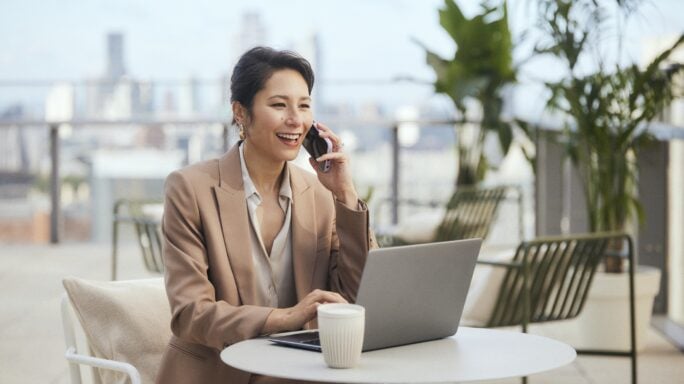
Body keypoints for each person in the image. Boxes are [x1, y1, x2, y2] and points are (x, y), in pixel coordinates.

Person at [155, 46, 376, 384]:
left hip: (296, 374)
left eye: (304, 106)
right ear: (240, 113)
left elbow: (357, 295)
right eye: (278, 105)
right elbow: (190, 314)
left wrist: (345, 195)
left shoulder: (319, 193)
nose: (295, 120)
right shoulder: (190, 189)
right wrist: (283, 318)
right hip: (217, 374)